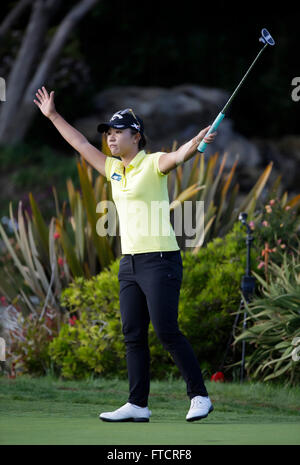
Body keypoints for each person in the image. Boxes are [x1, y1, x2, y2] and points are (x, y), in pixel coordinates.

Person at [34, 86, 217, 422]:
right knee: (133, 333)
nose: (110, 139)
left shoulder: (153, 163)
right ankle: (137, 404)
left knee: (166, 330)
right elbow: (79, 144)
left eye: (117, 133)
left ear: (137, 136)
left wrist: (195, 143)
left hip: (160, 259)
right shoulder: (114, 170)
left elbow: (180, 157)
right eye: (108, 133)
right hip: (130, 263)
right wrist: (53, 115)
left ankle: (200, 396)